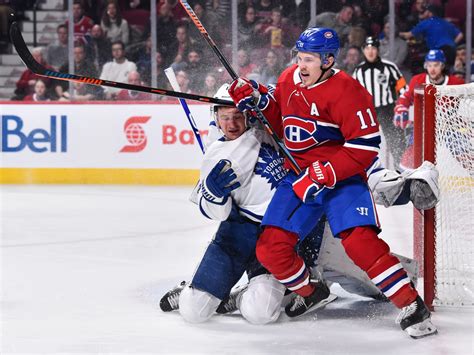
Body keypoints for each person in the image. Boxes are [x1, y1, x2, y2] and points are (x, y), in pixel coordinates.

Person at [159, 85, 440, 327]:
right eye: (225, 117)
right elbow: (213, 208)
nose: (232, 123)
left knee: (372, 280)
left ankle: (279, 290)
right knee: (203, 308)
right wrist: (212, 191)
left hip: (313, 229)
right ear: (216, 119)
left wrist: (404, 187)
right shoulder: (220, 153)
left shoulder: (280, 134)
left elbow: (355, 163)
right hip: (266, 234)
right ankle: (202, 290)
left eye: (239, 115)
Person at [227, 27, 437, 338]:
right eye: (299, 57)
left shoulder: (348, 91)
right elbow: (279, 119)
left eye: (309, 59)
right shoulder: (288, 79)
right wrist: (257, 100)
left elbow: (365, 146)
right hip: (299, 177)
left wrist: (325, 172)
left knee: (359, 243)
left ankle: (410, 304)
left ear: (327, 60)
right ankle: (311, 292)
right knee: (270, 249)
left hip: (341, 180)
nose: (301, 65)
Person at [393, 49, 465, 170]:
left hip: (450, 128)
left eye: (436, 65)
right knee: (411, 153)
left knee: (464, 153)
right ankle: (405, 178)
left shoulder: (456, 82)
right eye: (429, 65)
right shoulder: (417, 80)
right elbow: (405, 97)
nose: (432, 69)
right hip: (423, 127)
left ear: (442, 66)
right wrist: (401, 108)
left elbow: (467, 101)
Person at [353, 36, 408, 169]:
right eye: (367, 48)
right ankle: (367, 172)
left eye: (373, 48)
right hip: (368, 112)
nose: (370, 51)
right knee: (366, 143)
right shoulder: (358, 71)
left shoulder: (390, 67)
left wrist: (402, 106)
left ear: (378, 50)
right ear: (363, 50)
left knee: (396, 142)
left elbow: (403, 88)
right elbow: (353, 95)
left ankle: (401, 171)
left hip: (387, 109)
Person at [399, 4, 463, 68]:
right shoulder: (446, 22)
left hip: (438, 52)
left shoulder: (427, 22)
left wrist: (396, 33)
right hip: (451, 51)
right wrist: (453, 44)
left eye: (425, 11)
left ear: (429, 13)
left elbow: (408, 35)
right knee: (449, 72)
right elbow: (460, 35)